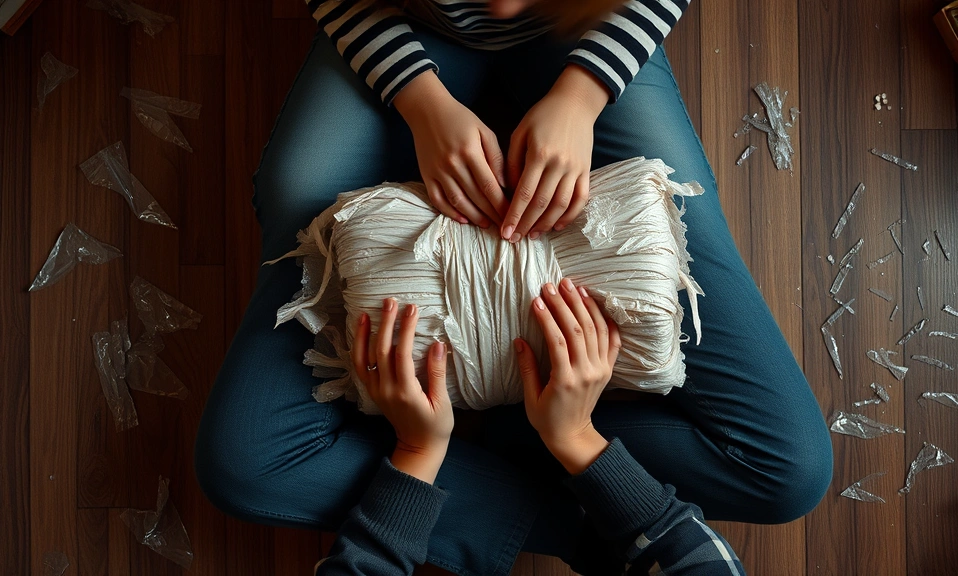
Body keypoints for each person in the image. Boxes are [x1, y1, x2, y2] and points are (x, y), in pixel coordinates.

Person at [195, 0, 833, 574]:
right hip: (404, 19)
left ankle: (520, 434)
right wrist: (419, 99)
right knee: (296, 203)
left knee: (789, 471)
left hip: (585, 22)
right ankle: (559, 483)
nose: (500, 5)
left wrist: (584, 94)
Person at [315, 282, 745, 574]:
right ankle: (539, 450)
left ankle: (533, 460)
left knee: (252, 467)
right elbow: (692, 556)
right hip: (614, 524)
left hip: (456, 473)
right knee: (792, 476)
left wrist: (418, 448)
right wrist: (575, 435)